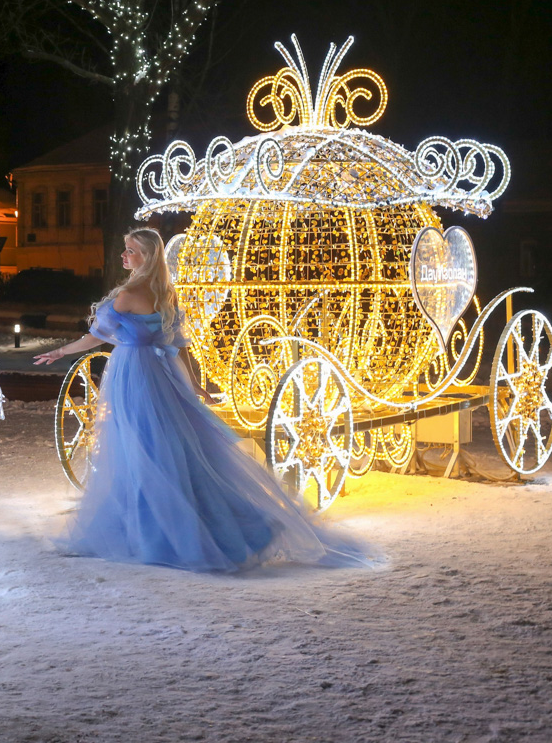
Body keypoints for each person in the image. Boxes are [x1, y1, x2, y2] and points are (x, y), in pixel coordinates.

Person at [34, 228, 376, 572]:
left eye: (130, 250)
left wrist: (60, 351)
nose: (124, 255)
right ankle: (216, 522)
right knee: (171, 443)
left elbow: (96, 338)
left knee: (137, 445)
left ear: (147, 257)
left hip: (133, 373)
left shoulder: (127, 295)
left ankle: (156, 530)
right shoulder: (165, 293)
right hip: (160, 373)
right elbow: (178, 343)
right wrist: (193, 384)